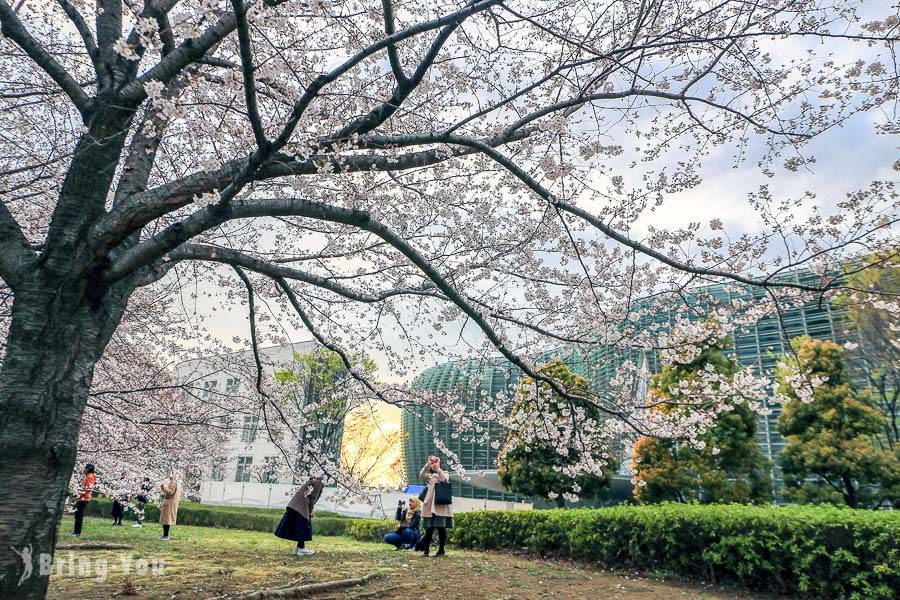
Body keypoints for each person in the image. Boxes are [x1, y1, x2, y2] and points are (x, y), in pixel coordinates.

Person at [275, 476, 324, 556]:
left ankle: (300, 548)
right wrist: (310, 511)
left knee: (302, 526)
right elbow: (313, 498)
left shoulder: (312, 480)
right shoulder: (318, 482)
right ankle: (301, 548)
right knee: (304, 527)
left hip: (295, 504)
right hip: (301, 506)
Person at [419, 455, 453, 557]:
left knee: (441, 528)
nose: (434, 465)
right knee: (428, 529)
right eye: (433, 464)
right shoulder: (429, 476)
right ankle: (426, 550)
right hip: (429, 505)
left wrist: (438, 469)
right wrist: (428, 464)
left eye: (436, 463)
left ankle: (441, 549)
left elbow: (444, 480)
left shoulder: (444, 473)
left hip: (440, 505)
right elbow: (421, 475)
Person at [72, 463, 96, 537]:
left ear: (88, 469)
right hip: (82, 497)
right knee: (78, 514)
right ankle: (76, 532)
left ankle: (77, 532)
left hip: (84, 498)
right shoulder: (88, 476)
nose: (83, 469)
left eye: (85, 468)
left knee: (79, 515)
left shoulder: (90, 477)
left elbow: (88, 488)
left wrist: (80, 492)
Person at [158, 472, 181, 541]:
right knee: (167, 519)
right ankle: (165, 534)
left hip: (169, 503)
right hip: (171, 503)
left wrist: (164, 487)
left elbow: (170, 492)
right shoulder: (178, 483)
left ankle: (166, 535)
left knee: (167, 520)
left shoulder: (173, 483)